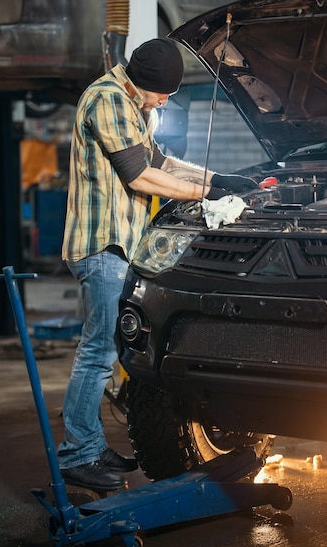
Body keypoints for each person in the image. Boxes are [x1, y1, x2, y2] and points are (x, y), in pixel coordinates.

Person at [57, 38, 258, 493]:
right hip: (100, 245)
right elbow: (141, 175)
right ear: (144, 83)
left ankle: (89, 442)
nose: (166, 101)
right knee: (98, 353)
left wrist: (215, 177)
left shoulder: (132, 102)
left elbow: (161, 161)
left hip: (120, 247)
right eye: (163, 94)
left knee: (110, 349)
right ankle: (77, 454)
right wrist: (206, 196)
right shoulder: (107, 99)